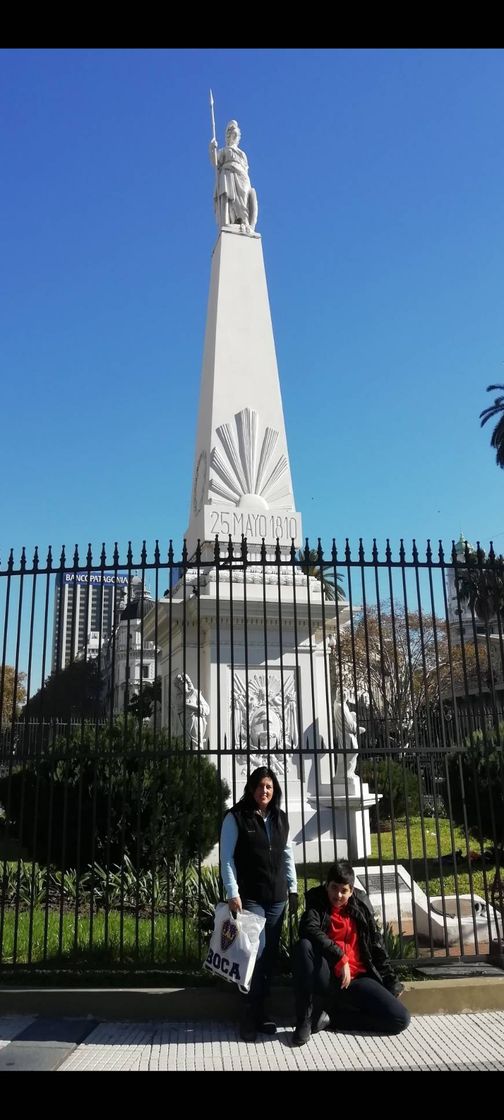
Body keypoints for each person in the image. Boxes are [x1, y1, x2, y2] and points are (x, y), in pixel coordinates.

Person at [292, 860, 411, 1046]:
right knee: (303, 946)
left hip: (358, 979)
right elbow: (308, 928)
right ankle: (304, 1020)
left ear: (352, 890)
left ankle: (331, 1019)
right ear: (327, 886)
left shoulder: (360, 905)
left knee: (400, 1019)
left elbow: (376, 944)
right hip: (329, 976)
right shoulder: (317, 900)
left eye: (344, 890)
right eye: (334, 888)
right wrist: (340, 957)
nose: (338, 895)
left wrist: (391, 981)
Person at [220, 766, 298, 1041]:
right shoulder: (235, 817)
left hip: (276, 897)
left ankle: (261, 1010)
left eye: (268, 786)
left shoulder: (280, 818)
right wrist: (232, 891)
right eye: (259, 786)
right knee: (255, 952)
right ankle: (247, 1012)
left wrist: (293, 887)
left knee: (269, 958)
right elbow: (226, 858)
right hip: (250, 897)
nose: (264, 791)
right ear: (251, 788)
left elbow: (287, 854)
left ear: (274, 789)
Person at [209, 120, 258, 233]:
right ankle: (230, 222)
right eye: (232, 134)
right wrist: (212, 149)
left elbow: (246, 168)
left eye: (236, 135)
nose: (234, 137)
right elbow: (215, 162)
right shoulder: (224, 150)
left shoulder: (243, 154)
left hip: (242, 177)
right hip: (228, 176)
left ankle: (245, 222)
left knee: (244, 198)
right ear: (228, 136)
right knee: (230, 199)